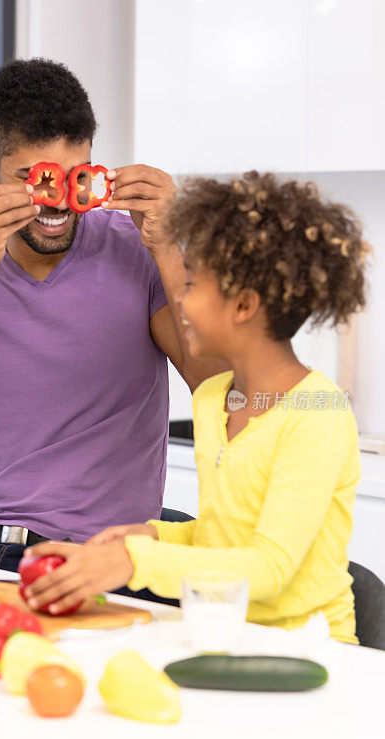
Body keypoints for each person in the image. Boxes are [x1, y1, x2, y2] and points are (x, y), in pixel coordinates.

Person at [0, 58, 223, 577]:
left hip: (116, 558)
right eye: (33, 179)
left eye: (75, 179)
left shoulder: (139, 253)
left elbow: (221, 395)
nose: (56, 202)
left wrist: (168, 248)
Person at [23, 171, 370, 644]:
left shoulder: (317, 415)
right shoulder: (212, 399)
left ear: (243, 304)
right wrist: (150, 537)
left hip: (313, 651)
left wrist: (133, 562)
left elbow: (270, 566)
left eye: (192, 283)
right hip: (226, 633)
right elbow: (224, 535)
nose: (179, 299)